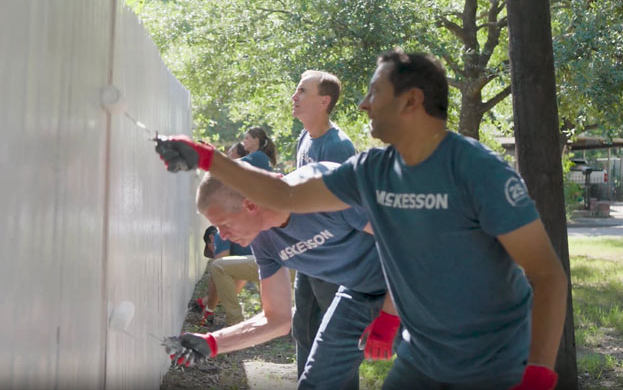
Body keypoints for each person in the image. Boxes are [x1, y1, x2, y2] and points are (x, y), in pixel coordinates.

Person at [155, 48, 568, 390]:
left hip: (491, 342)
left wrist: (537, 374)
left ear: (411, 101)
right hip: (413, 339)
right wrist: (206, 158)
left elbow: (546, 275)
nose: (362, 103)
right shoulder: (369, 170)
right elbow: (281, 193)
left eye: (375, 92)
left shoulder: (480, 171)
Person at [165, 162, 399, 389]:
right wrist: (212, 343)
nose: (223, 237)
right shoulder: (263, 241)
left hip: (418, 285)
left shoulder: (322, 188)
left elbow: (409, 243)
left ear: (250, 205)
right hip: (358, 293)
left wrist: (390, 312)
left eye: (224, 224)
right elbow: (276, 319)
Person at [289, 69, 362, 385]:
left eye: (302, 91)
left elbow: (347, 210)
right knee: (304, 329)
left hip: (335, 262)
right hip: (307, 254)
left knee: (336, 342)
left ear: (324, 101)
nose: (294, 97)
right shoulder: (305, 137)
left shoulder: (337, 147)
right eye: (296, 90)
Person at [191, 136, 274, 326]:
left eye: (224, 223)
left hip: (275, 264)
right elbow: (238, 276)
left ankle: (235, 320)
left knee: (219, 267)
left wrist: (209, 310)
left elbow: (221, 268)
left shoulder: (221, 235)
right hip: (270, 264)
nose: (225, 233)